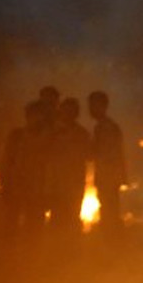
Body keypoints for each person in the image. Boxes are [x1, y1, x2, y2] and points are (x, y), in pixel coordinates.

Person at [0, 100, 51, 237]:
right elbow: (7, 161)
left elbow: (50, 167)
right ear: (28, 116)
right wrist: (4, 184)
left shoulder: (49, 139)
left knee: (34, 228)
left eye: (40, 115)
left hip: (38, 190)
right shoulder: (16, 136)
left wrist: (48, 191)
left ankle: (30, 256)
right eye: (34, 115)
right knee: (10, 225)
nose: (37, 119)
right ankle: (9, 255)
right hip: (16, 187)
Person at [47, 98, 91, 235]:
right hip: (57, 182)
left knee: (71, 217)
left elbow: (89, 155)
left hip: (74, 182)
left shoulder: (81, 134)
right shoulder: (52, 133)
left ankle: (71, 249)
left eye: (72, 111)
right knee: (58, 217)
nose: (68, 114)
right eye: (66, 111)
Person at [89, 91, 127, 233]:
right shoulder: (105, 126)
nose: (90, 109)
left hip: (108, 178)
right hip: (109, 178)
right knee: (110, 210)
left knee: (109, 212)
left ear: (102, 106)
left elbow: (105, 153)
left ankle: (112, 244)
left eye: (92, 105)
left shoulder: (105, 128)